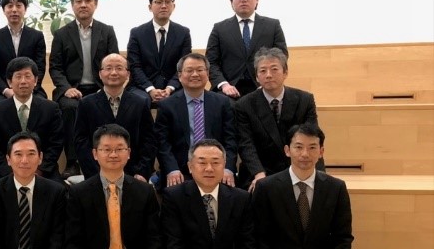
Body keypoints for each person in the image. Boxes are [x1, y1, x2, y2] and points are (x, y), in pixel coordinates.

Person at [48, 0, 120, 178]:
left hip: (100, 88)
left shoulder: (107, 31)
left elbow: (114, 64)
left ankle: (105, 158)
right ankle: (72, 162)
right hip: (73, 89)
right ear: (72, 5)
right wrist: (66, 88)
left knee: (106, 105)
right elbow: (55, 67)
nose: (83, 5)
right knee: (69, 107)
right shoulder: (62, 34)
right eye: (78, 1)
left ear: (95, 4)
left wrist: (107, 87)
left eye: (88, 0)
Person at [236, 47, 321, 190]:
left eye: (274, 69)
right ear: (256, 77)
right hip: (261, 168)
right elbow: (246, 144)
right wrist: (259, 174)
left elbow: (311, 136)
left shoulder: (305, 100)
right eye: (263, 71)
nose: (268, 75)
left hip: (297, 164)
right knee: (256, 190)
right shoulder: (244, 105)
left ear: (285, 72)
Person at [155, 53, 237, 188]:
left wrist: (227, 168)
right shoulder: (167, 105)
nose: (195, 74)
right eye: (189, 70)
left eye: (200, 70)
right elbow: (162, 143)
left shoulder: (222, 103)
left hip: (215, 168)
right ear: (180, 75)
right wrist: (172, 169)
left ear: (208, 74)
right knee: (175, 192)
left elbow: (231, 140)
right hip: (180, 170)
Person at [74, 53, 156, 181]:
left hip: (133, 175)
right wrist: (95, 175)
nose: (113, 73)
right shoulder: (86, 103)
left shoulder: (140, 103)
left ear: (128, 74)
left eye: (119, 68)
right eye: (108, 68)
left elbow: (149, 140)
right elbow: (81, 142)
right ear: (100, 74)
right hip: (97, 175)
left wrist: (142, 172)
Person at [0, 56, 63, 183]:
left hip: (43, 171)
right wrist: (14, 173)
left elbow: (55, 145)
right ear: (9, 82)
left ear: (36, 80)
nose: (23, 81)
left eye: (27, 76)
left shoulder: (51, 109)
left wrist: (39, 170)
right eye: (18, 76)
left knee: (59, 189)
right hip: (6, 171)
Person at [206, 0, 288, 99]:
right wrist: (223, 85)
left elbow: (282, 56)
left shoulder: (272, 25)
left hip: (262, 86)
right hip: (228, 88)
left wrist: (266, 82)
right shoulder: (219, 28)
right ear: (231, 1)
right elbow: (211, 61)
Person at [126, 0, 192, 103]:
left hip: (174, 86)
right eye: (159, 2)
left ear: (173, 6)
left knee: (180, 98)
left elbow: (184, 66)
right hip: (143, 87)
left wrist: (170, 88)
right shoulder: (137, 33)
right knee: (140, 100)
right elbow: (135, 66)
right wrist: (150, 89)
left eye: (168, 2)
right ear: (150, 7)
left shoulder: (183, 33)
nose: (164, 6)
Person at [0, 0, 47, 108]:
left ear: (25, 9)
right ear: (4, 10)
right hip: (3, 91)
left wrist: (29, 88)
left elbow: (40, 68)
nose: (14, 10)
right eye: (10, 6)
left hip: (32, 90)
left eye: (18, 6)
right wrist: (6, 90)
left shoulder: (37, 36)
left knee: (44, 106)